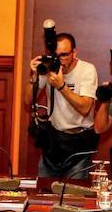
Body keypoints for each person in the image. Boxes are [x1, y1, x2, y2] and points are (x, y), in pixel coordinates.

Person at [29, 30, 99, 179]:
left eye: (64, 55)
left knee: (75, 196)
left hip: (79, 142)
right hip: (54, 140)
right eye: (56, 55)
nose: (59, 60)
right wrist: (35, 75)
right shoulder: (48, 68)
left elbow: (85, 108)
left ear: (74, 53)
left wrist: (62, 86)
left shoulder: (87, 70)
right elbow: (27, 101)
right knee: (44, 191)